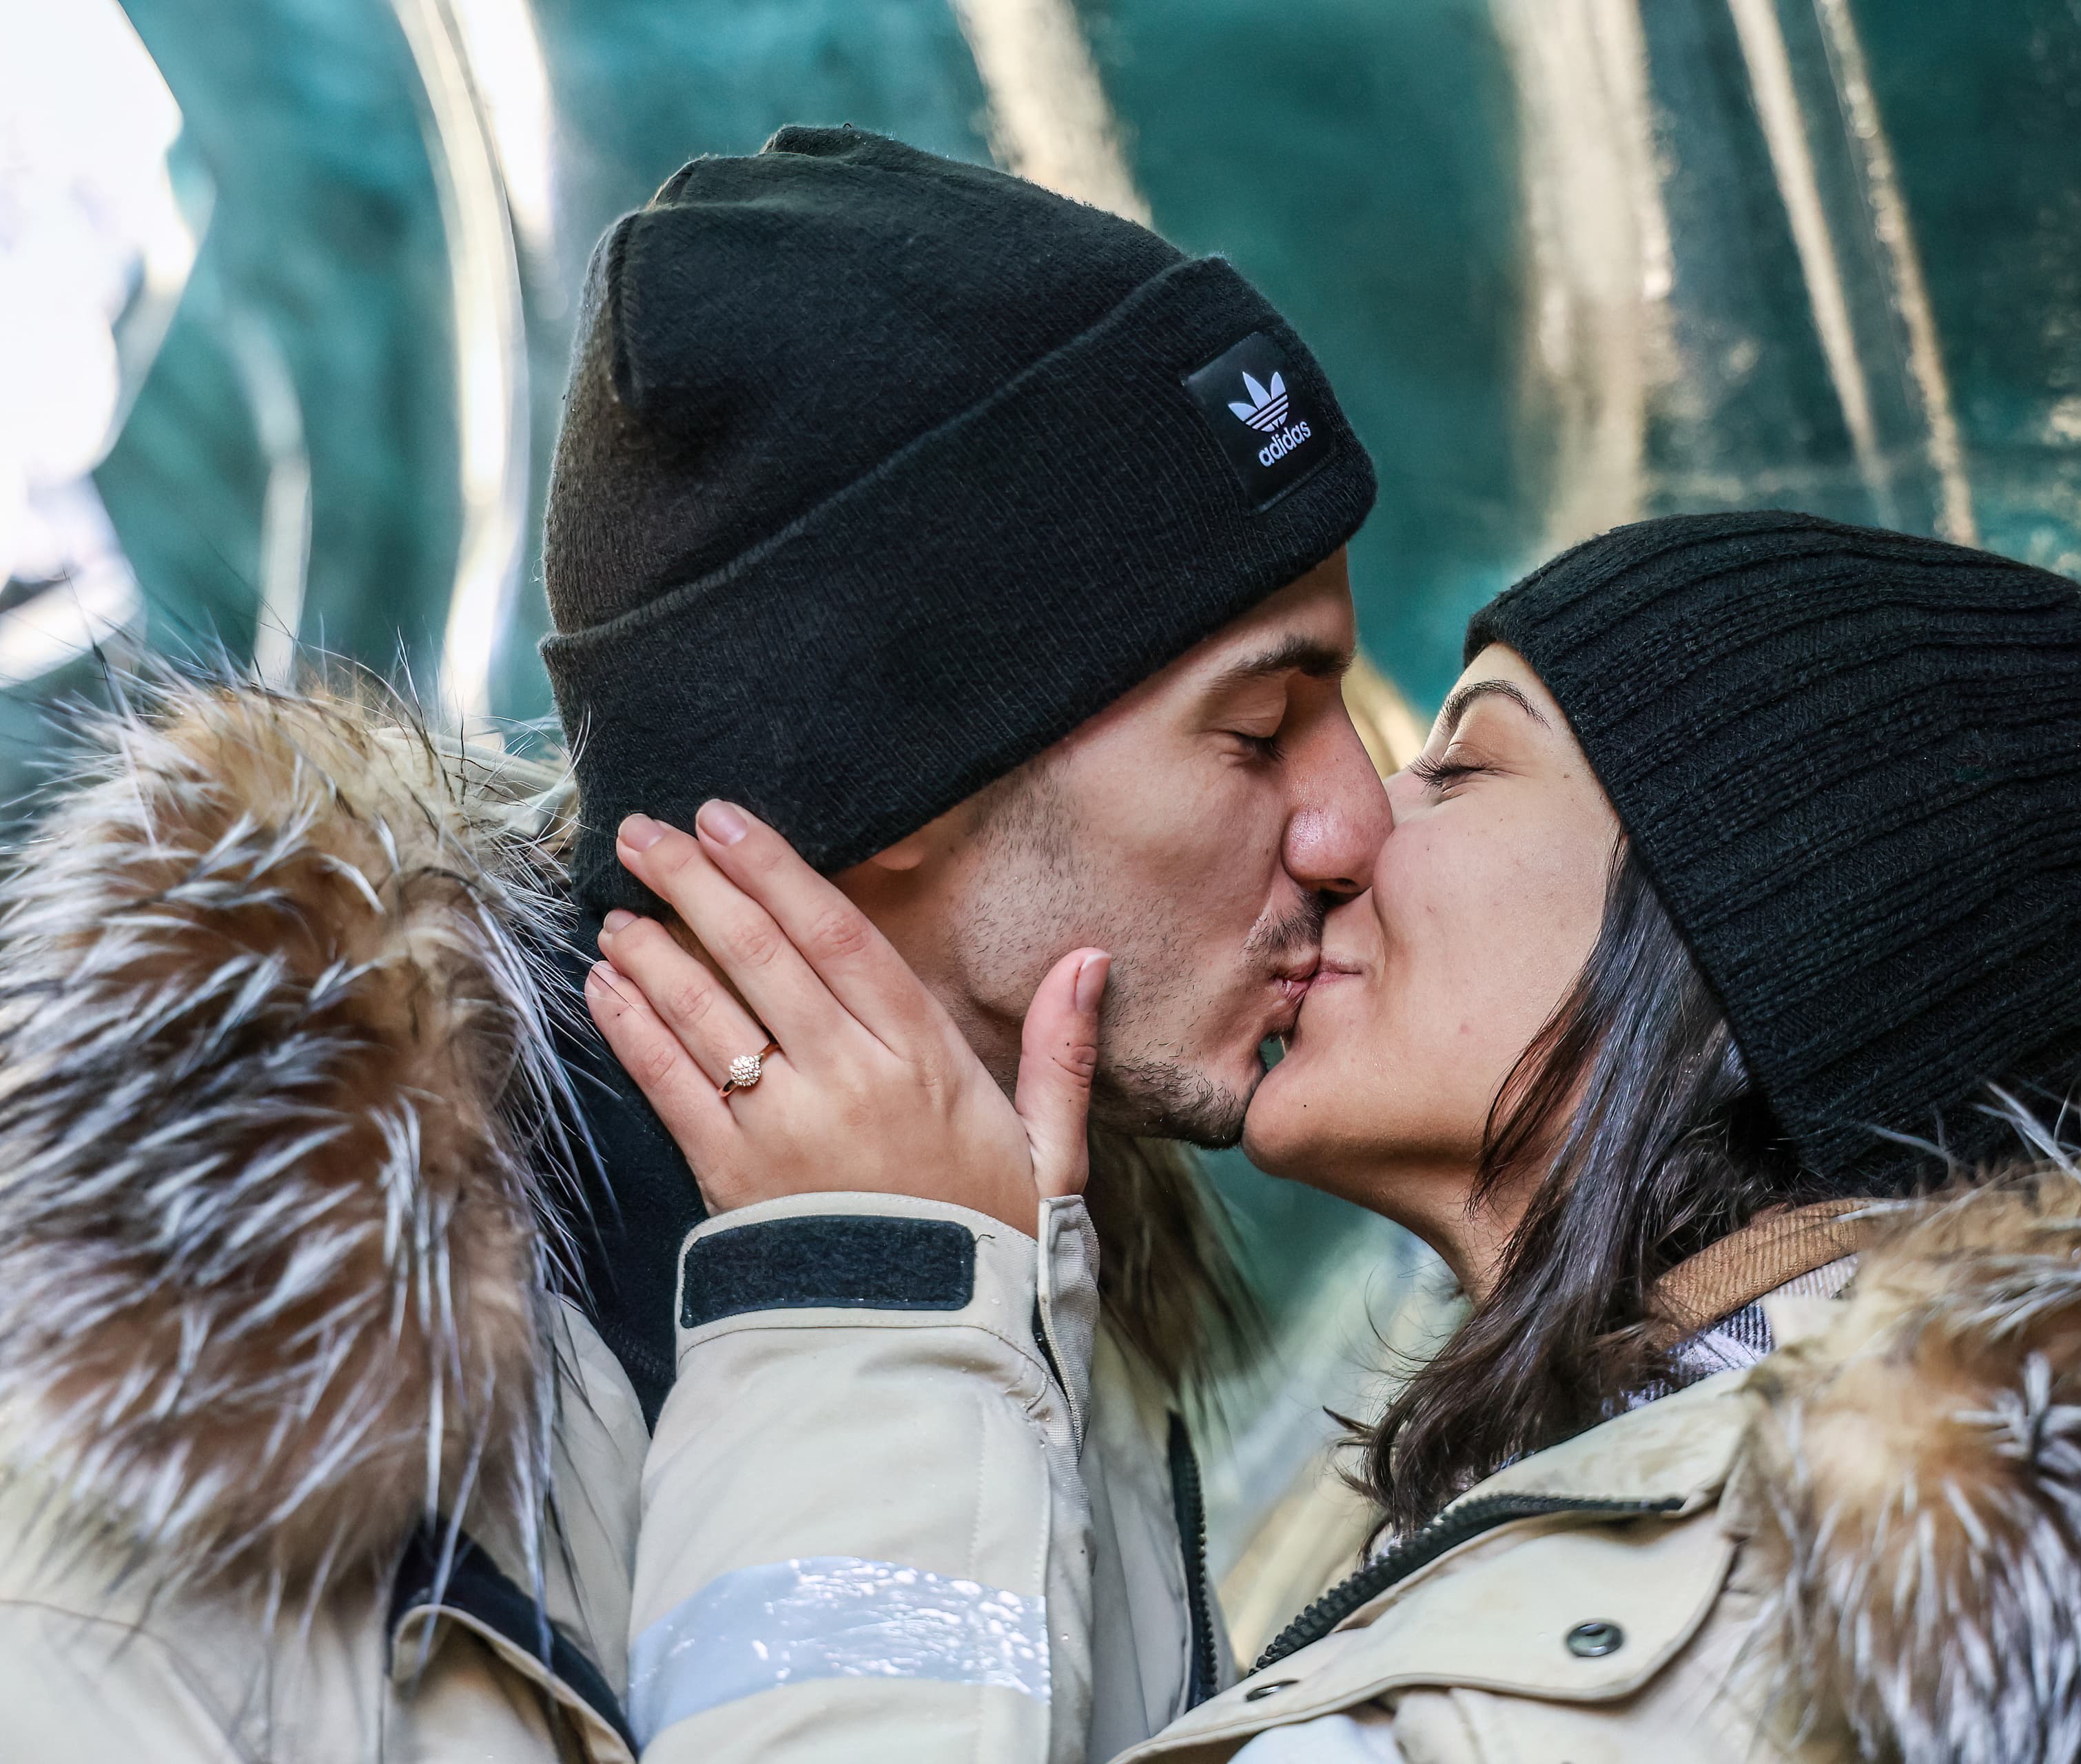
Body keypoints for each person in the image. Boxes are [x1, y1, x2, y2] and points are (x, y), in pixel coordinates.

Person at [593, 511, 2081, 1763]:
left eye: (1466, 761)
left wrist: (866, 1306)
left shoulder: (1730, 1632)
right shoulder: (1767, 1567)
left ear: (1745, 926)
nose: (1349, 830)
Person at [0, 127, 1385, 1763]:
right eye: (1260, 726)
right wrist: (873, 1314)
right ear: (897, 768)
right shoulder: (189, 1446)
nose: (1357, 819)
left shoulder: (1057, 1239)